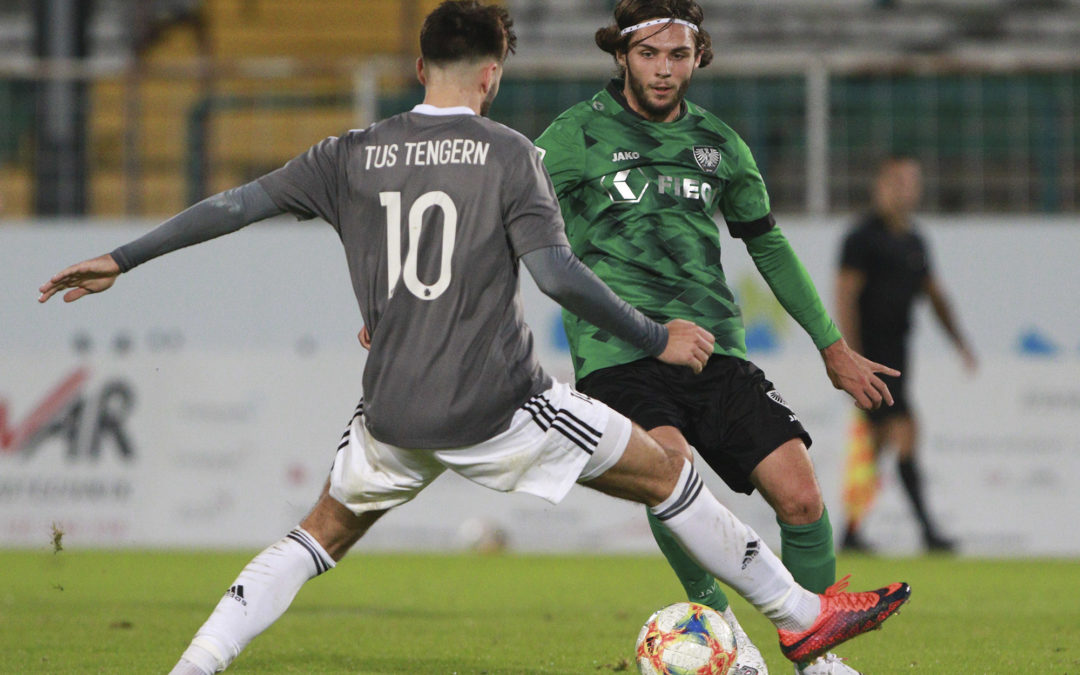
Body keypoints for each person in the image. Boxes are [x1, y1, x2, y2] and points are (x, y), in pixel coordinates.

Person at [39, 2, 909, 673]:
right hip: (500, 405)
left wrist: (124, 257)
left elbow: (234, 207)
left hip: (391, 410)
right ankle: (801, 618)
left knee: (312, 540)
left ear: (419, 64)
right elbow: (559, 276)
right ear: (492, 73)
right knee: (670, 473)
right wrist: (654, 334)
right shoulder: (509, 155)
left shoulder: (349, 150)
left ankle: (194, 663)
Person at [534, 2, 902, 673]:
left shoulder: (720, 145)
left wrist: (832, 346)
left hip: (714, 350)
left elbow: (770, 247)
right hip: (622, 352)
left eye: (678, 55)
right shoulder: (572, 137)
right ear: (621, 55)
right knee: (670, 474)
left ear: (699, 55)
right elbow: (513, 227)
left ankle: (813, 649)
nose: (665, 70)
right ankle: (723, 630)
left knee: (802, 495)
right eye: (649, 55)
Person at [835, 154, 976, 554]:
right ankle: (929, 532)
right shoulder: (861, 237)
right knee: (905, 433)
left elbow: (936, 297)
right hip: (872, 357)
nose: (904, 189)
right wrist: (849, 355)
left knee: (879, 444)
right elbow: (845, 295)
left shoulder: (915, 241)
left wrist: (960, 341)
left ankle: (850, 532)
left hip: (899, 354)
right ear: (879, 186)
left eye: (911, 181)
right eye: (896, 181)